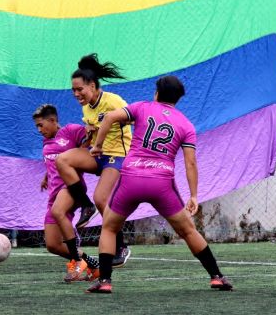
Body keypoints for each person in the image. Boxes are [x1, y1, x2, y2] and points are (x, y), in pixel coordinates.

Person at [84, 75, 233, 294]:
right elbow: (190, 162)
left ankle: (105, 281)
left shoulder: (142, 107)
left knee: (109, 226)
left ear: (156, 94)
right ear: (177, 99)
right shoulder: (186, 124)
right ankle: (216, 276)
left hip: (131, 178)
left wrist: (97, 146)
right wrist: (193, 196)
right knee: (188, 230)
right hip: (161, 183)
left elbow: (108, 118)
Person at [55, 54, 132, 267]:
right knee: (63, 160)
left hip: (116, 156)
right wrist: (90, 132)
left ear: (92, 85)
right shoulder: (87, 108)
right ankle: (85, 206)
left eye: (80, 89)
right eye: (73, 90)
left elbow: (134, 117)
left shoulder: (113, 101)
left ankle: (121, 245)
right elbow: (92, 135)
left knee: (102, 198)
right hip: (96, 155)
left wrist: (112, 122)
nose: (76, 94)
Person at [33, 104, 100, 282]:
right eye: (37, 126)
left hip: (72, 189)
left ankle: (77, 262)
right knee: (53, 245)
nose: (39, 130)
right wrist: (47, 176)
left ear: (53, 121)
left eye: (41, 125)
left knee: (58, 211)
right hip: (54, 194)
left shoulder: (70, 131)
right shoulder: (46, 141)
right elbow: (54, 160)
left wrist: (90, 130)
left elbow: (88, 140)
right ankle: (93, 265)